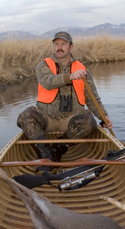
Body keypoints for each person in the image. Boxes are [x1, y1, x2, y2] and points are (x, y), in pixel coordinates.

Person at [17, 31, 113, 171]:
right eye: (56, 44)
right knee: (26, 116)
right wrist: (71, 76)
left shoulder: (82, 69)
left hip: (70, 122)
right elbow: (47, 82)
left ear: (71, 47)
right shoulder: (44, 65)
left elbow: (93, 98)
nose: (59, 47)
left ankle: (58, 148)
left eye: (63, 44)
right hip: (47, 119)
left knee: (89, 120)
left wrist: (103, 116)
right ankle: (46, 154)